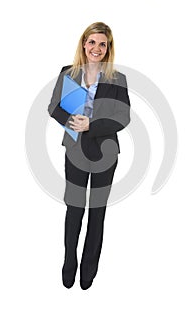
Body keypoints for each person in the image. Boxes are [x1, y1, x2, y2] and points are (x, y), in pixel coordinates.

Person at [48, 22, 131, 290]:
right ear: (84, 44)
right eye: (92, 42)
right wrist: (73, 120)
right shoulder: (67, 74)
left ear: (108, 49)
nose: (96, 48)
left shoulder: (117, 79)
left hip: (105, 153)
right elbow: (53, 107)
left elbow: (123, 117)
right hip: (74, 151)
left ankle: (89, 270)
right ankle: (69, 263)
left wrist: (91, 126)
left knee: (97, 212)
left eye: (102, 44)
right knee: (74, 210)